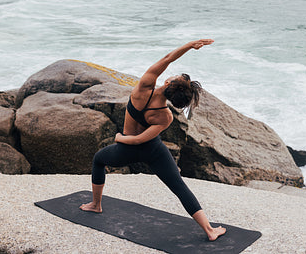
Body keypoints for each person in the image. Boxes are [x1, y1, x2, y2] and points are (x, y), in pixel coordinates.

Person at [80, 39, 226, 241]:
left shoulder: (144, 86)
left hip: (126, 148)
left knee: (99, 159)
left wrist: (190, 45)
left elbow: (167, 58)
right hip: (154, 151)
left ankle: (95, 205)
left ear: (167, 83)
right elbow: (143, 140)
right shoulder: (165, 116)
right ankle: (209, 230)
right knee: (179, 187)